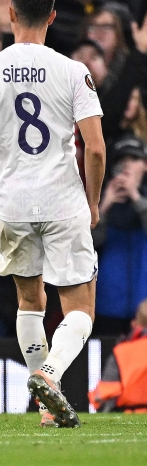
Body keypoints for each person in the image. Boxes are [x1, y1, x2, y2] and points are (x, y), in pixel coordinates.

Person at [0, 0, 106, 428]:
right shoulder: (72, 70)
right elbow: (94, 148)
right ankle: (50, 377)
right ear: (53, 18)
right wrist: (93, 203)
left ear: (12, 15)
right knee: (79, 309)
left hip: (11, 203)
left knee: (29, 302)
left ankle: (44, 409)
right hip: (61, 199)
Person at [93, 136, 147, 333]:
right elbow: (88, 244)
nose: (126, 166)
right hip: (108, 307)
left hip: (145, 309)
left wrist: (136, 197)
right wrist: (104, 207)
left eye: (133, 159)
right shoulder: (98, 203)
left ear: (145, 166)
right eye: (120, 160)